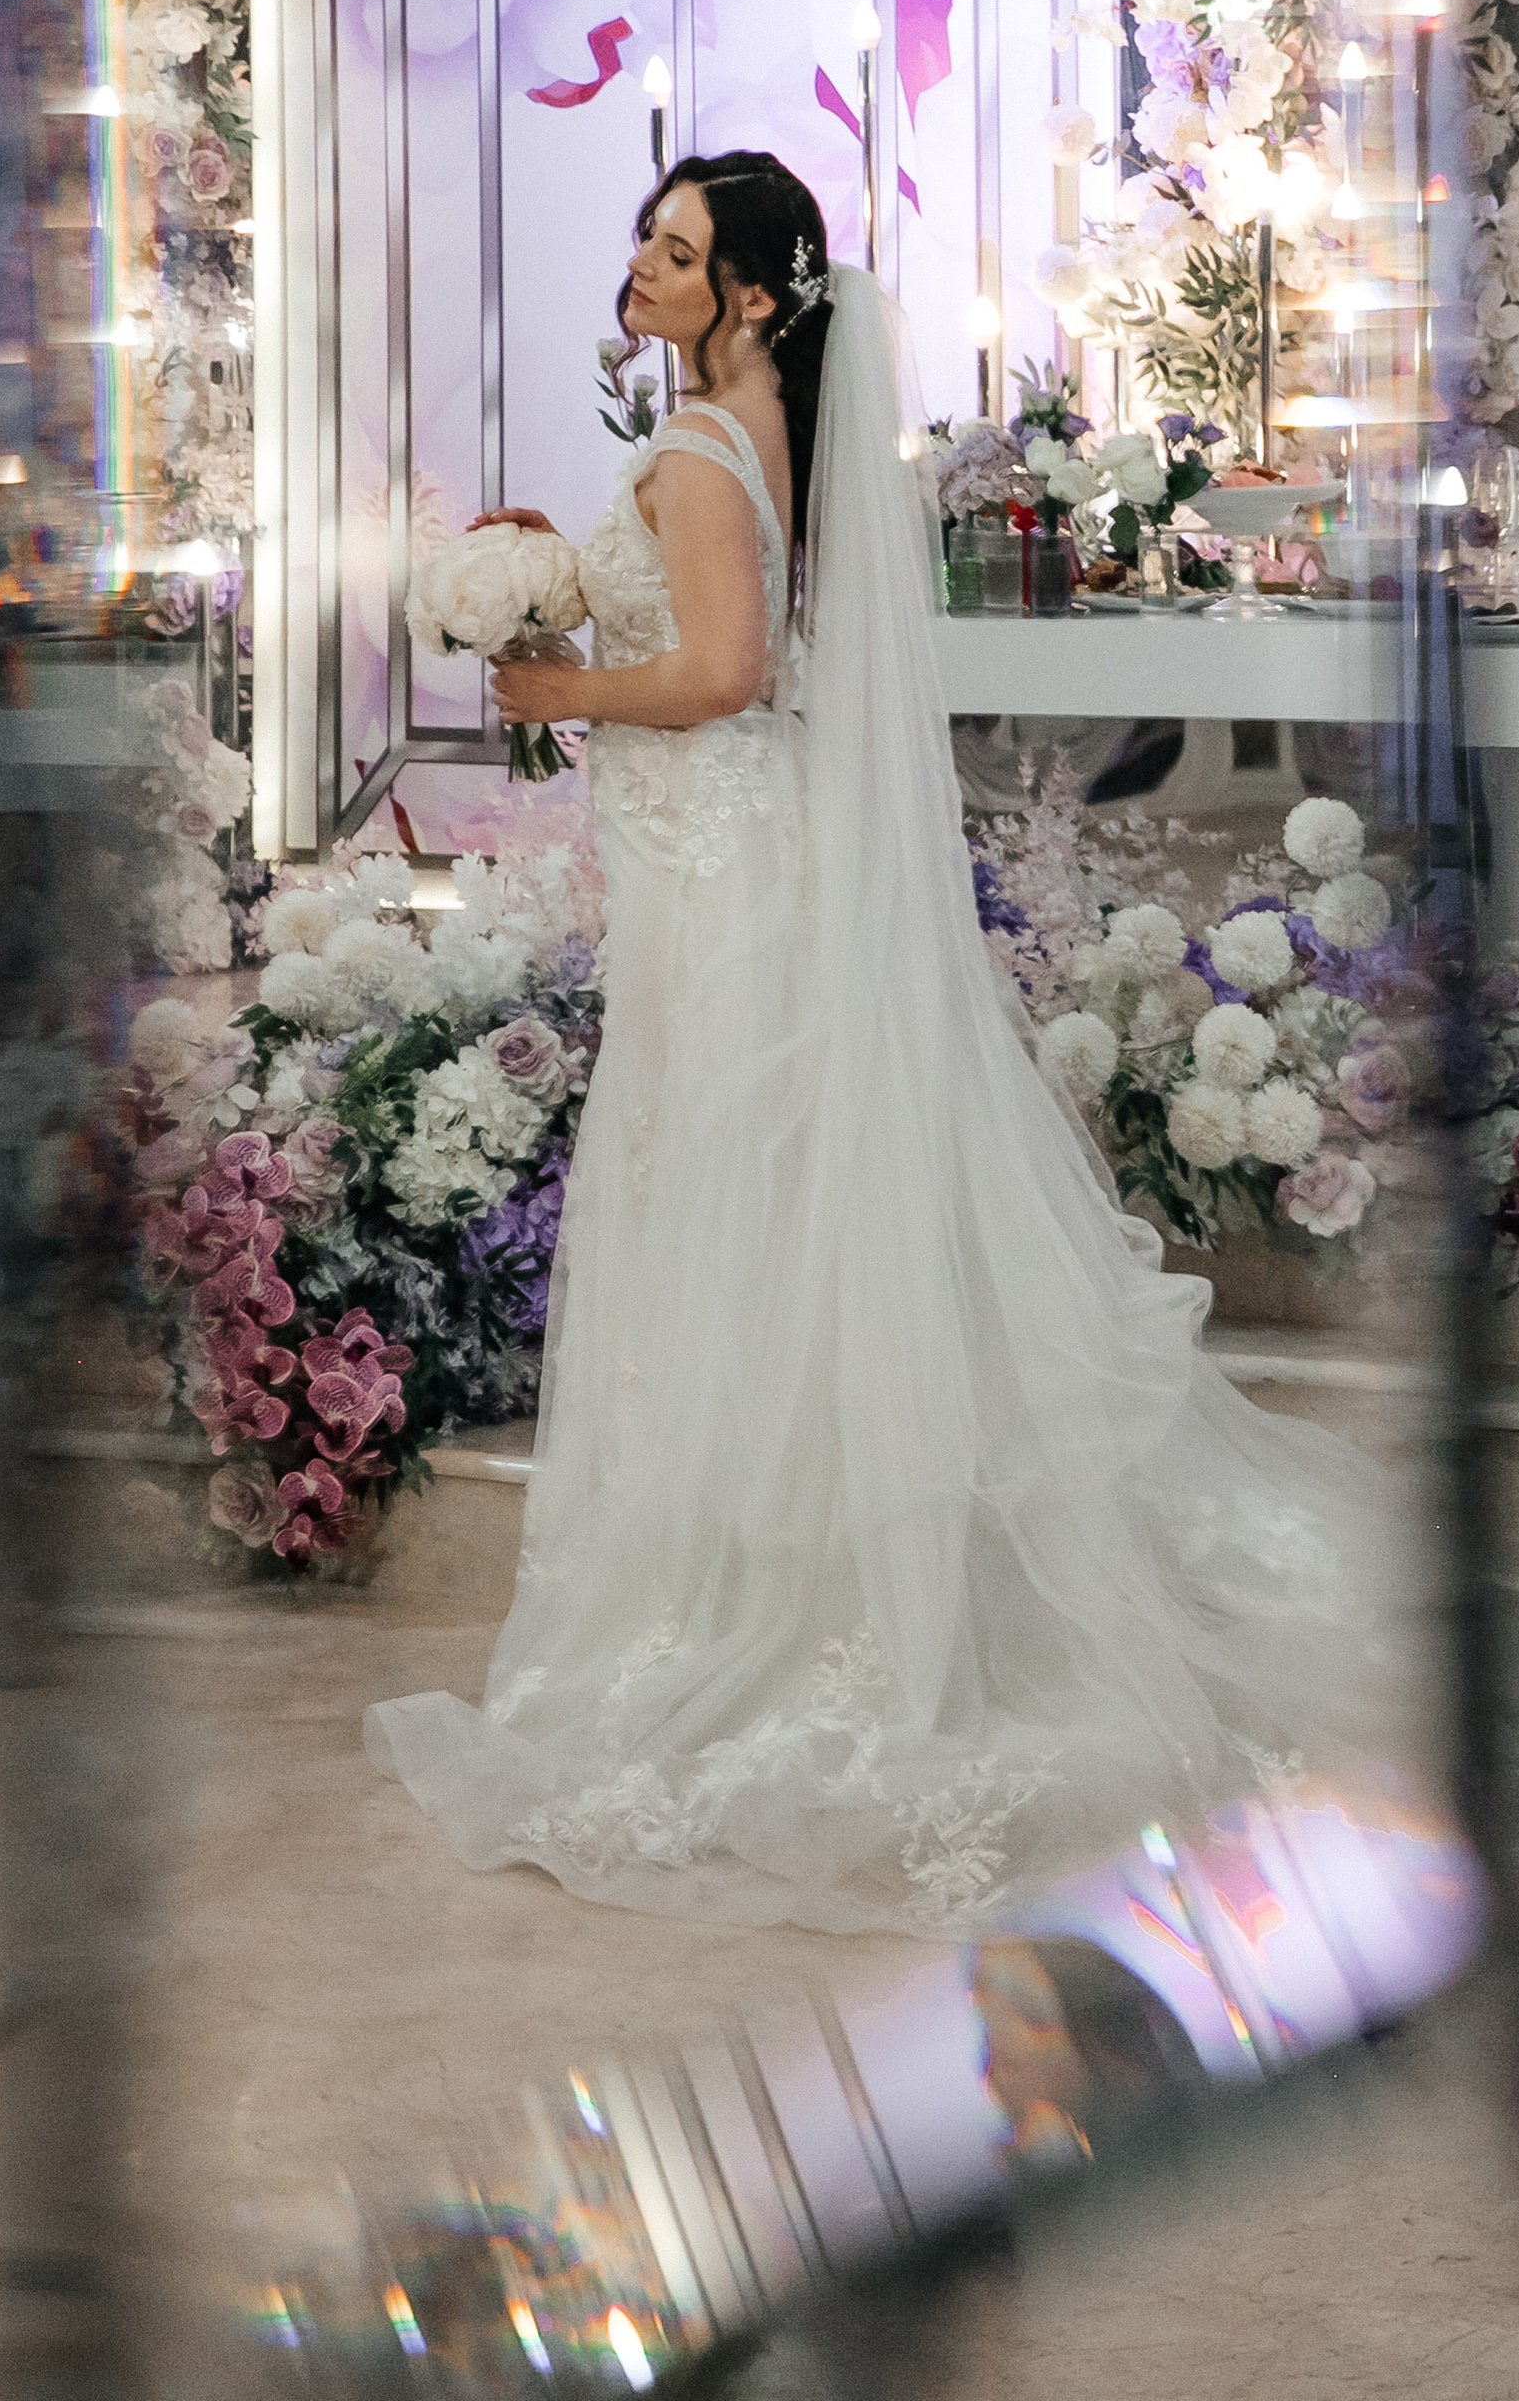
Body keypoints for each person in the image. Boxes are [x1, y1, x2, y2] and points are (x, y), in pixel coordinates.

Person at [365, 153, 1403, 1935]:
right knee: (779, 1204)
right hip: (737, 860)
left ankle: (783, 1622)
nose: (644, 269)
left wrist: (553, 684)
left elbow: (724, 675)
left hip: (723, 861)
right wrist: (559, 577)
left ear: (755, 295)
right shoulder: (761, 426)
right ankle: (842, 1582)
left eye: (679, 254)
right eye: (645, 237)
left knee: (736, 1196)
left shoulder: (703, 446)